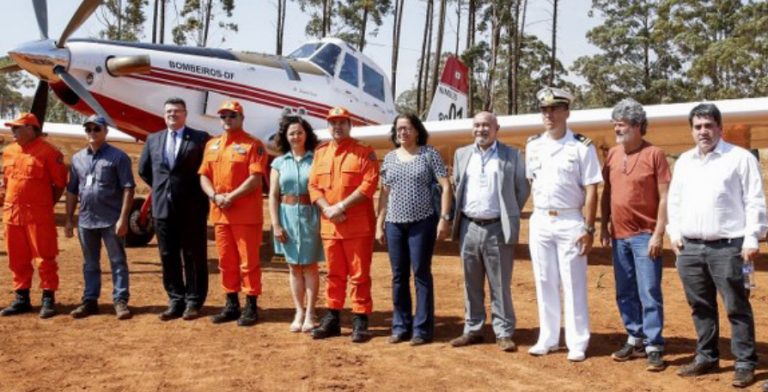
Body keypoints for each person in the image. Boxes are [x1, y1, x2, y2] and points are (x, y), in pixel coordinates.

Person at [667, 103, 766, 388]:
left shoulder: (739, 158)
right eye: (698, 126)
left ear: (720, 128)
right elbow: (675, 200)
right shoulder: (684, 161)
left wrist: (751, 237)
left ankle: (745, 362)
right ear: (691, 130)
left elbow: (754, 200)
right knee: (700, 306)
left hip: (728, 248)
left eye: (709, 125)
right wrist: (674, 233)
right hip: (690, 248)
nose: (703, 131)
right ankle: (707, 357)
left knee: (736, 306)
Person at [525, 87, 602, 362]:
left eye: (555, 109)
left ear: (567, 112)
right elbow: (533, 181)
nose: (549, 114)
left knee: (573, 282)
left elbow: (592, 188)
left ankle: (577, 341)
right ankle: (548, 337)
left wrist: (589, 228)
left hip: (570, 220)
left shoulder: (581, 146)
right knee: (544, 280)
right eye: (544, 109)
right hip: (541, 218)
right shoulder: (533, 145)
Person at [448, 111, 529, 352]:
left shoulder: (511, 155)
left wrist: (508, 213)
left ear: (496, 128)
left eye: (486, 125)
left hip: (497, 228)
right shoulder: (462, 155)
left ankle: (503, 332)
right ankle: (472, 328)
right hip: (469, 226)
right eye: (477, 125)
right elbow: (457, 186)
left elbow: (521, 189)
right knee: (470, 282)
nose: (481, 129)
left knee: (500, 283)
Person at [599, 99, 670, 371]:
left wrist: (658, 233)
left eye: (623, 123)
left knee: (649, 291)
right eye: (615, 122)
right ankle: (635, 337)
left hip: (645, 235)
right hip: (619, 236)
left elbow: (665, 197)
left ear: (639, 126)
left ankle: (654, 344)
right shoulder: (613, 155)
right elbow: (608, 191)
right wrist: (605, 222)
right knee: (624, 290)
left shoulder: (655, 154)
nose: (617, 127)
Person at [375, 113, 453, 346]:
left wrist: (444, 218)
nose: (403, 133)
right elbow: (384, 193)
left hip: (422, 222)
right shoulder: (388, 158)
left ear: (417, 131)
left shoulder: (429, 154)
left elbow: (446, 186)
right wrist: (380, 224)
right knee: (399, 276)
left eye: (407, 128)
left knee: (421, 274)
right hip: (394, 224)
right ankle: (400, 326)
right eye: (399, 129)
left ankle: (422, 329)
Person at [308, 107, 379, 343]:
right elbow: (313, 186)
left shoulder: (363, 152)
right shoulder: (320, 153)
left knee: (359, 275)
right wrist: (327, 208)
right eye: (333, 123)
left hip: (356, 225)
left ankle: (360, 319)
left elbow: (369, 184)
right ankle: (333, 317)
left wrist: (340, 207)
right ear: (328, 126)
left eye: (342, 122)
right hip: (330, 225)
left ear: (350, 125)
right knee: (334, 274)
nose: (337, 127)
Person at [139, 97, 211, 321]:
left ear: (185, 114)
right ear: (164, 114)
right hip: (162, 208)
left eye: (177, 111)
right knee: (168, 255)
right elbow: (144, 170)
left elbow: (207, 171)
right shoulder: (153, 139)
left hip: (192, 208)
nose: (173, 114)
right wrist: (163, 189)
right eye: (169, 111)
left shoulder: (200, 138)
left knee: (193, 255)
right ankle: (175, 299)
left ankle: (193, 301)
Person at [199, 100, 268, 327]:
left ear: (241, 118)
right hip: (220, 214)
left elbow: (255, 179)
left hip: (246, 215)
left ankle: (250, 304)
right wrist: (214, 196)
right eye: (224, 116)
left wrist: (231, 197)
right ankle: (231, 304)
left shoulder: (253, 145)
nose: (227, 120)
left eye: (232, 116)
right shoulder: (212, 145)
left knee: (248, 262)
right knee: (226, 261)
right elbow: (204, 176)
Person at [65, 115, 136, 320]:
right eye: (88, 129)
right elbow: (72, 190)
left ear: (106, 131)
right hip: (86, 220)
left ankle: (120, 300)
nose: (92, 133)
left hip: (111, 219)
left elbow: (128, 189)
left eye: (96, 129)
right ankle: (90, 300)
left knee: (117, 261)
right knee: (90, 263)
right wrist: (70, 219)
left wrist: (123, 219)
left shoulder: (118, 157)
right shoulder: (77, 158)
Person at [0, 112, 67, 319]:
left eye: (17, 128)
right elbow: (5, 181)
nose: (13, 131)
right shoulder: (9, 151)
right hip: (12, 214)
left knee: (44, 257)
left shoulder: (48, 152)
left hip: (38, 215)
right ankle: (22, 298)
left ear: (31, 128)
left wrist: (46, 205)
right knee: (16, 258)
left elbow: (59, 184)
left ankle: (48, 298)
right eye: (12, 127)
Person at [268, 115, 324, 333]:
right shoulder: (279, 163)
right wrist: (276, 224)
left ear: (306, 135)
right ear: (285, 136)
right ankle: (298, 311)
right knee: (293, 267)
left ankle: (311, 312)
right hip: (287, 216)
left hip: (311, 216)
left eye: (300, 132)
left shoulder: (317, 160)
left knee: (310, 267)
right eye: (291, 133)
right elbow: (273, 195)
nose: (296, 136)